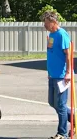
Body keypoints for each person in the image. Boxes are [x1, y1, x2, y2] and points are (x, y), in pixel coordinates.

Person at [41, 11, 74, 139]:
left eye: (46, 23)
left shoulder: (62, 35)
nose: (44, 25)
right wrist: (49, 72)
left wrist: (68, 73)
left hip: (61, 76)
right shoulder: (52, 34)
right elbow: (51, 52)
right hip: (53, 75)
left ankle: (62, 133)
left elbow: (69, 55)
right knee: (52, 102)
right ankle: (74, 119)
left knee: (60, 105)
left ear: (53, 22)